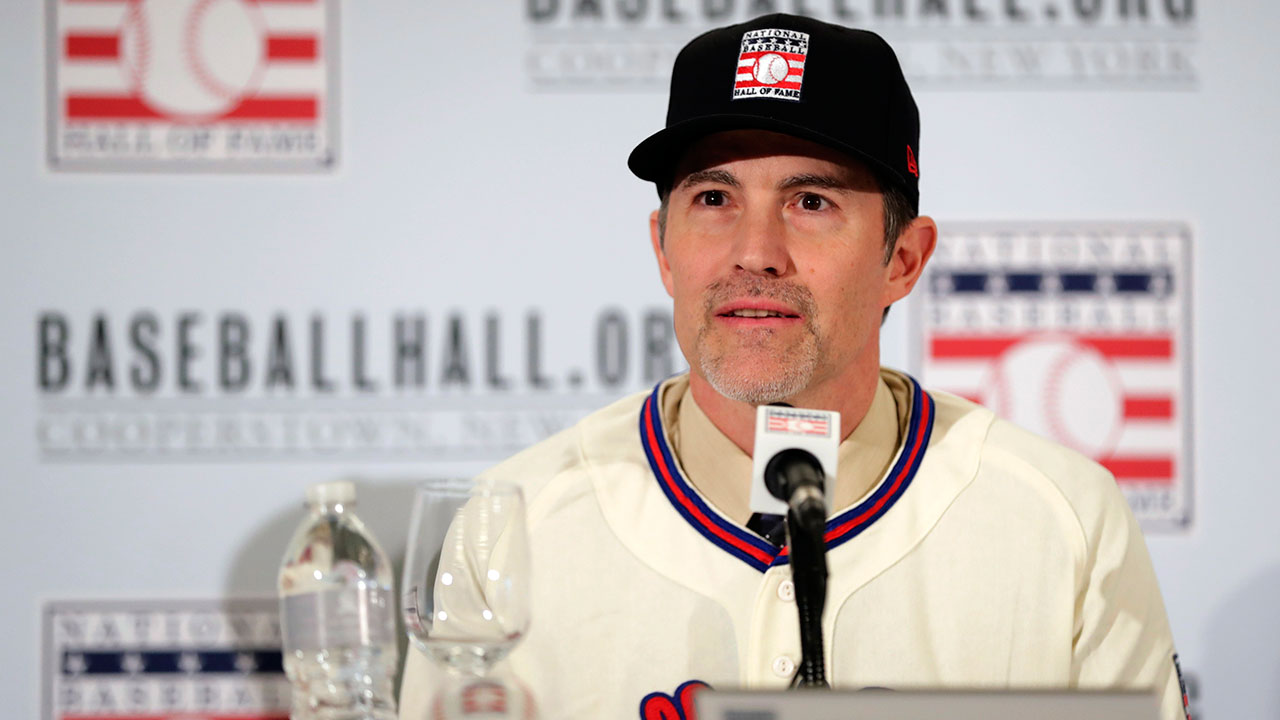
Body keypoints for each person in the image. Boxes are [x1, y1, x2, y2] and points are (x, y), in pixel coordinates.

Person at [399, 13, 1189, 720]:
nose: (755, 253)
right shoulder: (517, 525)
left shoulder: (1059, 519)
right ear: (663, 249)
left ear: (903, 260)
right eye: (714, 199)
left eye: (811, 201)